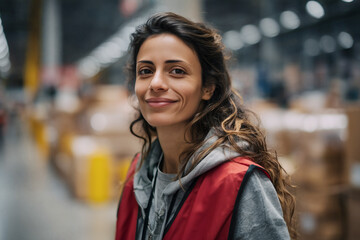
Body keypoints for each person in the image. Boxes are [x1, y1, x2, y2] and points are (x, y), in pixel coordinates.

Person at [115, 12, 296, 240]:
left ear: (208, 88)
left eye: (177, 71)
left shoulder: (239, 184)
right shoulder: (138, 176)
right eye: (146, 71)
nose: (156, 83)